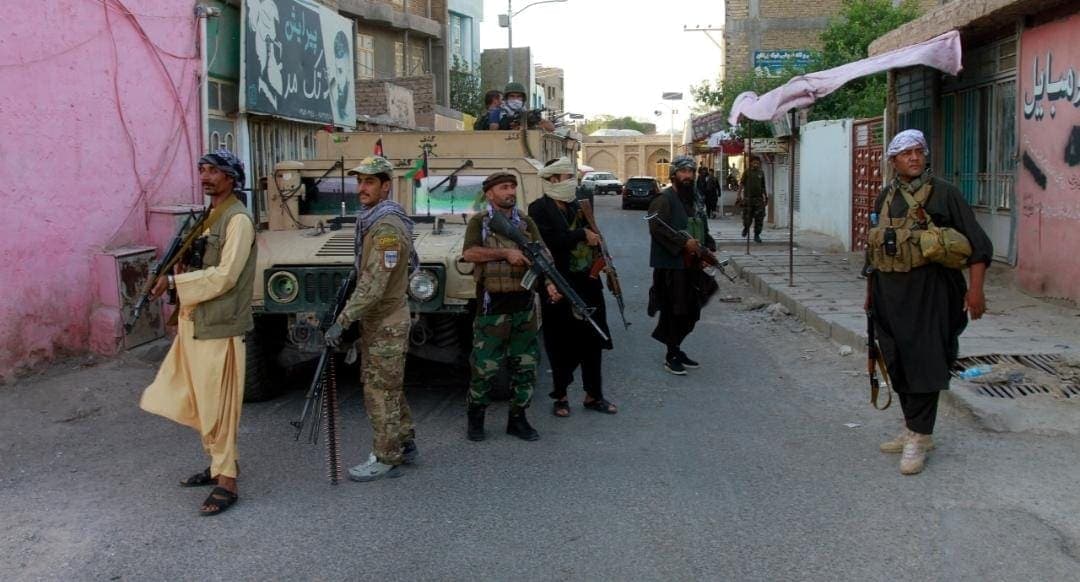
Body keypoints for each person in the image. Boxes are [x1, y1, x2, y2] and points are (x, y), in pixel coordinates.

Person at [867, 129, 992, 475]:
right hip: (889, 294)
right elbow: (874, 252)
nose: (914, 158)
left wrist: (976, 290)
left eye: (918, 151)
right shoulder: (885, 197)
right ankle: (912, 427)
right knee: (896, 359)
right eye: (906, 153)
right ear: (893, 161)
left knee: (925, 360)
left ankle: (920, 437)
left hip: (932, 293)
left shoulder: (945, 195)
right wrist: (870, 296)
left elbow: (979, 246)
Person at [140, 148, 256, 516]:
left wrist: (175, 283)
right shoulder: (209, 216)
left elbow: (226, 276)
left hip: (219, 325)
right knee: (194, 398)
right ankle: (216, 464)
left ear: (232, 178)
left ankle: (228, 481)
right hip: (195, 320)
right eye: (202, 170)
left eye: (214, 171)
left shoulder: (238, 220)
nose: (206, 176)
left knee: (218, 406)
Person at [324, 155, 419, 482]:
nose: (361, 188)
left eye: (369, 182)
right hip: (381, 321)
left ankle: (386, 456)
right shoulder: (373, 220)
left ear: (385, 185)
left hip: (386, 320)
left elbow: (374, 283)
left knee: (379, 390)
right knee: (387, 385)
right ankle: (403, 441)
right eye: (359, 181)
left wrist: (342, 320)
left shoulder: (386, 228)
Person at [461, 171, 563, 441]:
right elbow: (469, 253)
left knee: (526, 366)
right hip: (491, 307)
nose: (510, 192)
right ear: (490, 193)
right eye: (503, 188)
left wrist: (551, 281)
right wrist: (505, 253)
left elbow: (544, 253)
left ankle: (518, 419)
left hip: (524, 304)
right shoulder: (480, 222)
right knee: (485, 368)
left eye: (512, 187)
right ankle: (476, 419)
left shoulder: (526, 222)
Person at [528, 157, 617, 417]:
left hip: (588, 281)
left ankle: (594, 395)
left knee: (593, 339)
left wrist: (604, 261)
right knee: (559, 342)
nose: (572, 182)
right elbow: (547, 243)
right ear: (553, 179)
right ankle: (561, 396)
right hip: (557, 282)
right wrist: (580, 235)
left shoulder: (580, 206)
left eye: (572, 176)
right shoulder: (539, 209)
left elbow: (596, 236)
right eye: (567, 177)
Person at [647, 155, 716, 376]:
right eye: (683, 172)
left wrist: (708, 248)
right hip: (672, 267)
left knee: (692, 310)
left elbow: (702, 227)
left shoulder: (694, 199)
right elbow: (656, 227)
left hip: (691, 266)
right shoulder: (663, 199)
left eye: (691, 172)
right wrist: (683, 243)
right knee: (674, 311)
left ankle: (675, 347)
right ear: (674, 174)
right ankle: (671, 354)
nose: (688, 176)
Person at [738, 156, 768, 243]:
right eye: (754, 162)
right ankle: (746, 228)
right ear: (751, 163)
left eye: (757, 163)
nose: (756, 164)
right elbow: (742, 184)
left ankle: (757, 235)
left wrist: (765, 197)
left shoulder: (761, 173)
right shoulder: (747, 172)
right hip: (748, 199)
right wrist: (739, 195)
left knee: (759, 218)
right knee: (747, 217)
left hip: (758, 199)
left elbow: (763, 186)